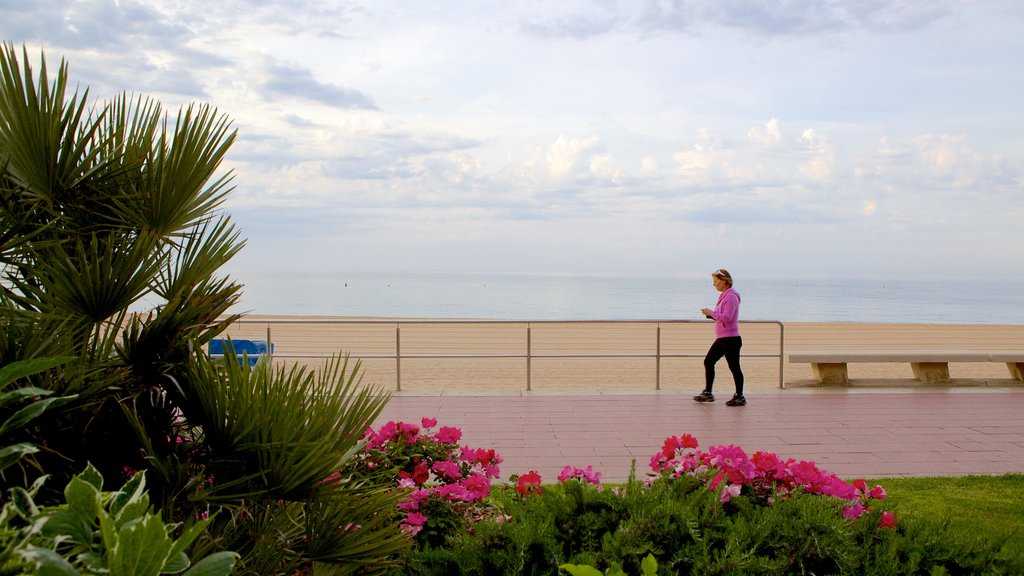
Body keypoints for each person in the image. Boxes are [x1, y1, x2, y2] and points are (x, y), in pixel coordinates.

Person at [694, 269, 745, 406]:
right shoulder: (723, 296)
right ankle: (708, 393)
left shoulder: (731, 297)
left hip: (731, 339)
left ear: (724, 281)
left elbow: (727, 318)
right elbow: (720, 315)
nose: (714, 285)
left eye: (716, 282)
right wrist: (710, 315)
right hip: (722, 338)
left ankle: (740, 396)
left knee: (734, 367)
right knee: (708, 361)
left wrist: (711, 312)